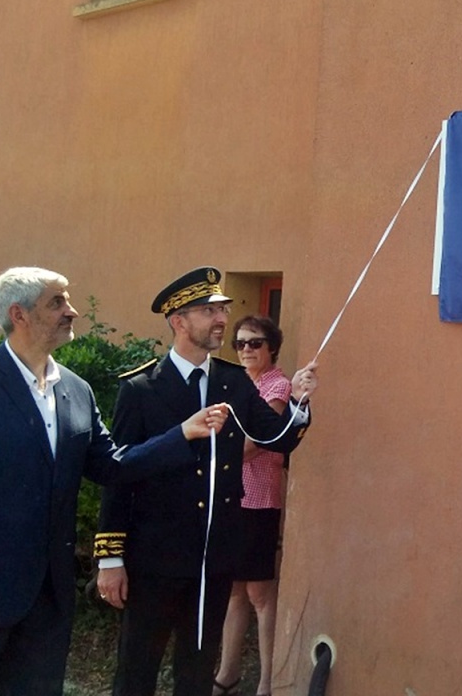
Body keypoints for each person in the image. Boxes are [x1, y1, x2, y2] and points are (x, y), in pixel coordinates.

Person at [0, 267, 228, 695]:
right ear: (19, 315)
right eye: (57, 302)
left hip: (49, 602)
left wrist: (181, 434)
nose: (72, 311)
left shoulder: (77, 390)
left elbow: (113, 466)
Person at [94, 267, 318, 696]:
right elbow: (119, 474)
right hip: (154, 558)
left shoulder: (233, 382)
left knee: (196, 672)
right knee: (137, 670)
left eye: (223, 310)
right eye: (209, 311)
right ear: (179, 321)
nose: (221, 319)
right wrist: (110, 558)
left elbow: (277, 438)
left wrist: (298, 400)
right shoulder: (141, 389)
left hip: (212, 557)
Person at [213, 315, 290, 696]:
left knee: (260, 594)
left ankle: (267, 682)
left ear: (271, 347)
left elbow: (261, 439)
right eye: (240, 343)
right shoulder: (236, 383)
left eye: (255, 343)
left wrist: (216, 459)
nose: (246, 349)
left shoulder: (277, 385)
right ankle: (227, 675)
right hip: (230, 496)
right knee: (233, 591)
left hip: (259, 499)